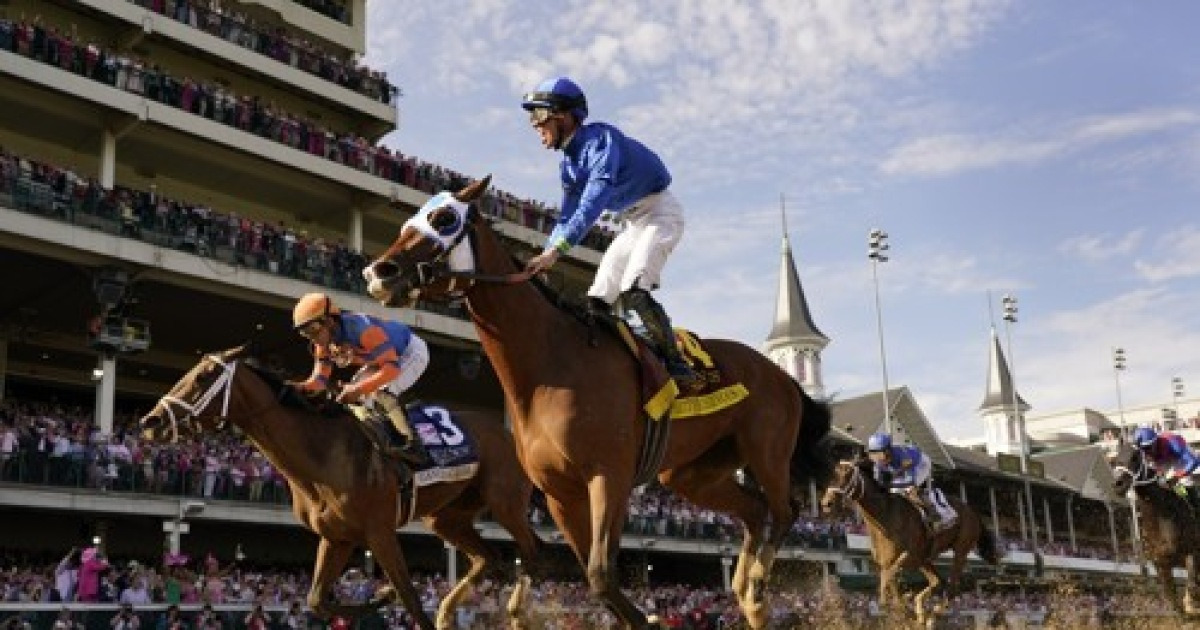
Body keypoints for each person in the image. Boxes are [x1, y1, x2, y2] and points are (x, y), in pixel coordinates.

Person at [520, 76, 703, 392]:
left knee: (634, 290)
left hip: (660, 213)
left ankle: (677, 364)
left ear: (563, 115)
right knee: (597, 298)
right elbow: (567, 215)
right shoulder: (569, 165)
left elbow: (593, 202)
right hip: (632, 223)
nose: (534, 126)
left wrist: (557, 252)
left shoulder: (601, 141)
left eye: (538, 116)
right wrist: (546, 252)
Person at [291, 292, 432, 466]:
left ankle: (414, 446)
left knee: (382, 392)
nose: (311, 337)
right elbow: (319, 381)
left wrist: (358, 389)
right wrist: (296, 388)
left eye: (312, 329)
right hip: (380, 359)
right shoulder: (323, 345)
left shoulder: (363, 329)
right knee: (354, 401)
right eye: (304, 333)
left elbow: (392, 370)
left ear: (329, 321)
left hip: (410, 352)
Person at [866, 432, 956, 531]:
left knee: (910, 491)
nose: (877, 459)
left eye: (880, 454)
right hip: (900, 468)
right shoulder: (878, 462)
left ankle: (935, 515)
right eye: (873, 454)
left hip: (920, 464)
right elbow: (879, 483)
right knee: (893, 491)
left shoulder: (903, 457)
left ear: (888, 450)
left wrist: (891, 485)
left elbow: (909, 482)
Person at [1132, 426, 1200, 510]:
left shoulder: (1173, 443)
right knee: (1161, 482)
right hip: (1161, 459)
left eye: (1147, 448)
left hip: (1180, 458)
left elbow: (1193, 461)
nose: (1145, 452)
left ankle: (1194, 505)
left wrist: (1177, 476)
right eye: (1141, 449)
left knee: (1183, 482)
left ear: (1155, 442)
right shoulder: (1145, 451)